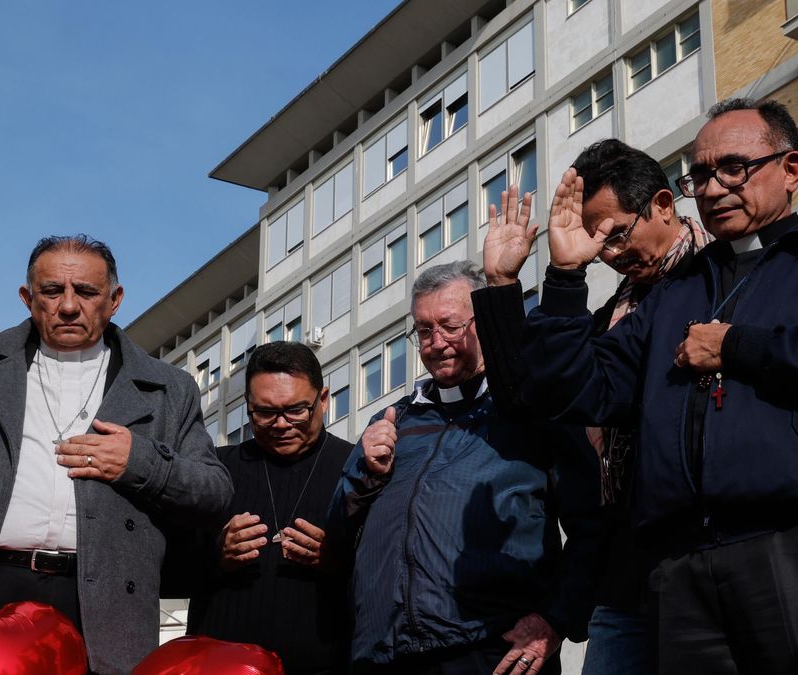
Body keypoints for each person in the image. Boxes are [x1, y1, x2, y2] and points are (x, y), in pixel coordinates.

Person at [521, 98, 798, 674]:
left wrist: (739, 346)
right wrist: (565, 279)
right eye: (700, 175)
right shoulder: (673, 292)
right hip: (679, 569)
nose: (713, 189)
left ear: (791, 170)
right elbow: (579, 391)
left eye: (733, 168)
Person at [0, 200, 233, 674]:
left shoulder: (168, 388)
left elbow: (214, 493)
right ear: (27, 298)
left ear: (115, 299)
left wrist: (140, 463)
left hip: (98, 605)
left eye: (86, 290)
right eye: (52, 290)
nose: (69, 305)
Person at [476, 139, 712, 674]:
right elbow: (532, 400)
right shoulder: (613, 317)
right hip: (623, 573)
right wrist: (503, 283)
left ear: (664, 204)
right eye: (597, 241)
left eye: (617, 234)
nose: (609, 253)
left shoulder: (724, 282)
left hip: (710, 557)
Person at [326, 261, 603, 675]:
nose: (437, 343)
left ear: (482, 322)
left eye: (450, 326)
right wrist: (366, 471)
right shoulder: (391, 422)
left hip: (491, 651)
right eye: (423, 330)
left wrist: (556, 620)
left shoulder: (530, 410)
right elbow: (337, 532)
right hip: (384, 654)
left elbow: (594, 524)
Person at [185, 342, 354, 674]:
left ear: (323, 400)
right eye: (264, 412)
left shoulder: (358, 469)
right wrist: (215, 555)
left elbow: (392, 576)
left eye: (295, 410)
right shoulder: (214, 469)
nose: (280, 424)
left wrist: (339, 561)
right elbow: (165, 573)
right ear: (248, 406)